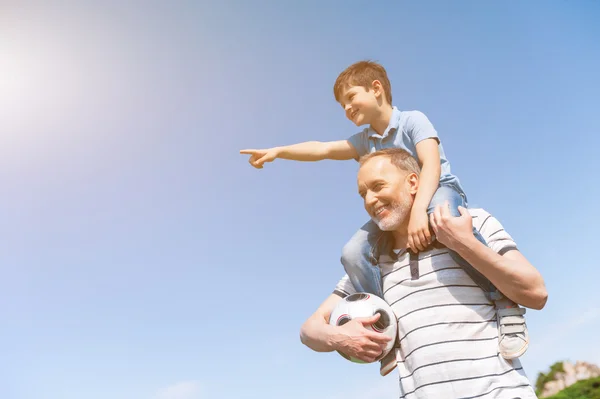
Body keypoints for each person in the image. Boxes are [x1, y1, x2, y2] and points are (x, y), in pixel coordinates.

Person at [240, 60, 529, 360]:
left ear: (376, 89)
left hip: (438, 191)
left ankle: (504, 301)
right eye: (342, 106)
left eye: (350, 98)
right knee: (352, 252)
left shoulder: (413, 121)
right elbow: (323, 149)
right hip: (399, 211)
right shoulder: (366, 141)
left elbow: (430, 164)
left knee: (447, 223)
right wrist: (278, 151)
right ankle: (383, 326)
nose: (347, 109)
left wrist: (420, 212)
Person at [300, 148, 547, 399]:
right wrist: (340, 337)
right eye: (363, 194)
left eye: (378, 186)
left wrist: (464, 243)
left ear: (413, 182)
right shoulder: (370, 264)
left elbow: (536, 293)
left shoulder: (472, 222)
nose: (370, 200)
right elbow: (309, 331)